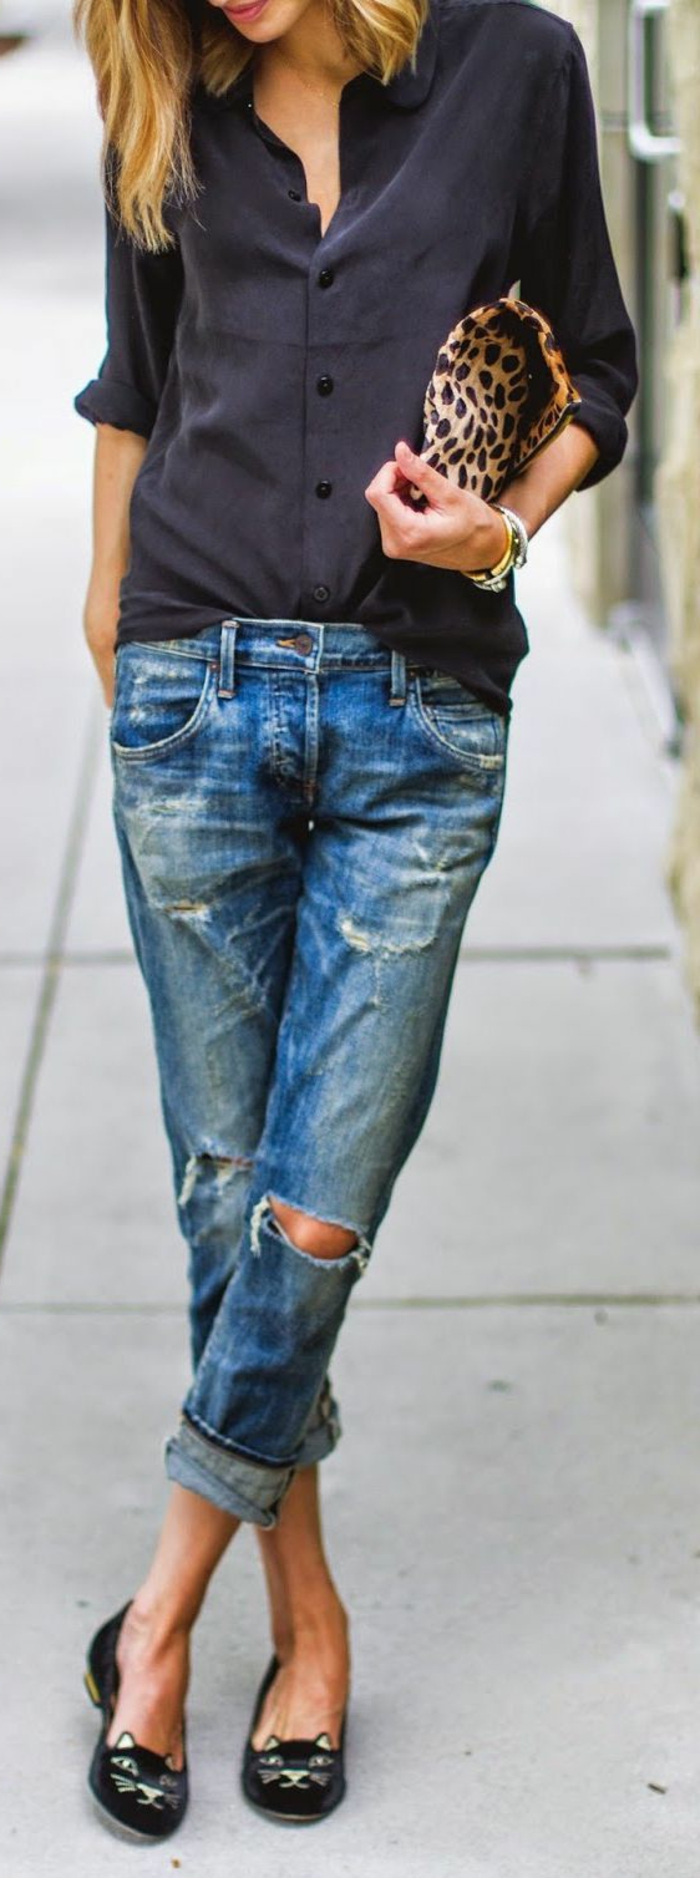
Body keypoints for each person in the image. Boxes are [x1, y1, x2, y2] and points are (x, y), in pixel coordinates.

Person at [72, 0, 638, 1839]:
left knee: (316, 1204)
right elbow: (136, 382)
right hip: (195, 695)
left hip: (417, 718)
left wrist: (492, 531)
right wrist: (112, 622)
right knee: (229, 1188)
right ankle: (302, 1620)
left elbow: (601, 384)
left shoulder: (523, 69)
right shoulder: (165, 80)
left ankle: (157, 1614)